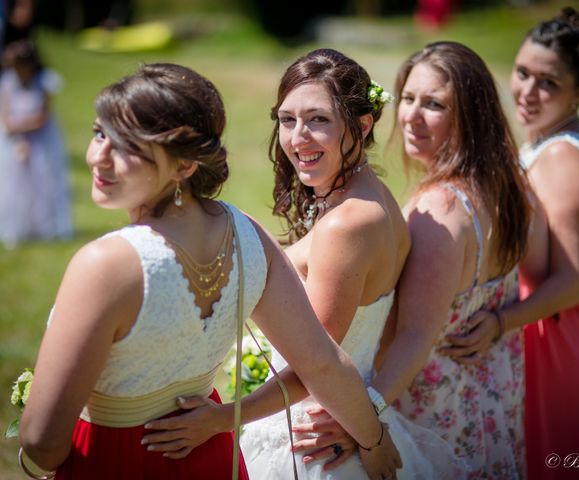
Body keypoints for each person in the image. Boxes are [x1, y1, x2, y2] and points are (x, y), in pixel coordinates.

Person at [18, 62, 402, 480]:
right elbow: (323, 362)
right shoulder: (247, 234)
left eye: (127, 145)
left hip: (114, 459)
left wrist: (33, 463)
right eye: (99, 133)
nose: (99, 156)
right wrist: (375, 439)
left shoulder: (103, 264)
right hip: (212, 459)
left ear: (186, 165)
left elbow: (42, 441)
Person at [141, 48, 465, 480]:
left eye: (318, 120)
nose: (297, 138)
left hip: (313, 442)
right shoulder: (373, 197)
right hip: (345, 419)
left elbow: (315, 365)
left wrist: (223, 419)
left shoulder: (347, 226)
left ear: (362, 125)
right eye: (287, 119)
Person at [290, 41, 532, 478]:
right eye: (408, 99)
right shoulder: (503, 188)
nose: (411, 117)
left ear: (471, 116)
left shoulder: (439, 211)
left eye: (434, 104)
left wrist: (366, 417)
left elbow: (415, 336)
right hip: (493, 390)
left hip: (434, 406)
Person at [443, 7, 579, 479]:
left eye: (547, 82)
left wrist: (500, 321)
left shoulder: (562, 158)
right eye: (522, 72)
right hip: (557, 325)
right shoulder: (559, 143)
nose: (527, 91)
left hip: (557, 338)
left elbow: (568, 279)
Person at [0, 39, 72, 248]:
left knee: (43, 183)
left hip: (42, 141)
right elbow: (5, 115)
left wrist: (17, 128)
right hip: (12, 141)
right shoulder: (7, 82)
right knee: (14, 184)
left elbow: (41, 118)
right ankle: (18, 227)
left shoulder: (45, 81)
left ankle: (44, 227)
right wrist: (15, 136)